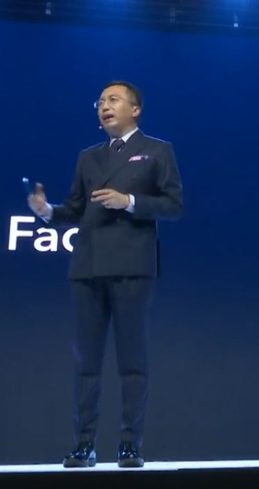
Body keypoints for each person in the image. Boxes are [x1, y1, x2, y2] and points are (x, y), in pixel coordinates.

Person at [27, 81, 183, 468]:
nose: (104, 106)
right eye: (100, 102)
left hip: (132, 267)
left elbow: (173, 205)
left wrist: (128, 201)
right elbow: (76, 209)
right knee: (87, 363)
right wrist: (48, 212)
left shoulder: (157, 150)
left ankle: (130, 445)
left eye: (113, 100)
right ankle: (84, 444)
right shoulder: (88, 157)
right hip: (88, 268)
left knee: (132, 361)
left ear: (135, 109)